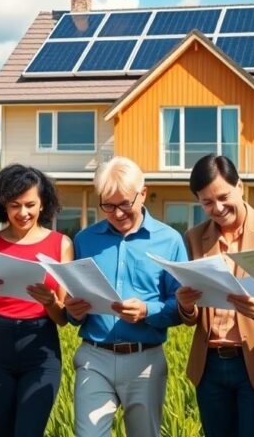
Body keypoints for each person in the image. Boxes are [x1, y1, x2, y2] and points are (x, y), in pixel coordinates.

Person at [64, 156, 187, 437]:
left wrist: (147, 311)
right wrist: (74, 310)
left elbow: (180, 307)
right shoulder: (84, 240)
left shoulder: (170, 241)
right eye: (108, 205)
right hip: (94, 357)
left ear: (143, 194)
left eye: (124, 204)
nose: (117, 213)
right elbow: (72, 310)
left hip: (145, 360)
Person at [174, 154, 254, 437]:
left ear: (241, 186)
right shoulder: (194, 237)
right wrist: (185, 306)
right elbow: (192, 315)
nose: (217, 208)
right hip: (209, 367)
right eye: (207, 202)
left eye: (223, 197)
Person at [0, 164, 74, 437]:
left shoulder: (61, 244)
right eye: (15, 205)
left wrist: (50, 302)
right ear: (3, 205)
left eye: (30, 204)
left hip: (41, 347)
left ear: (43, 204)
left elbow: (63, 319)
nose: (23, 213)